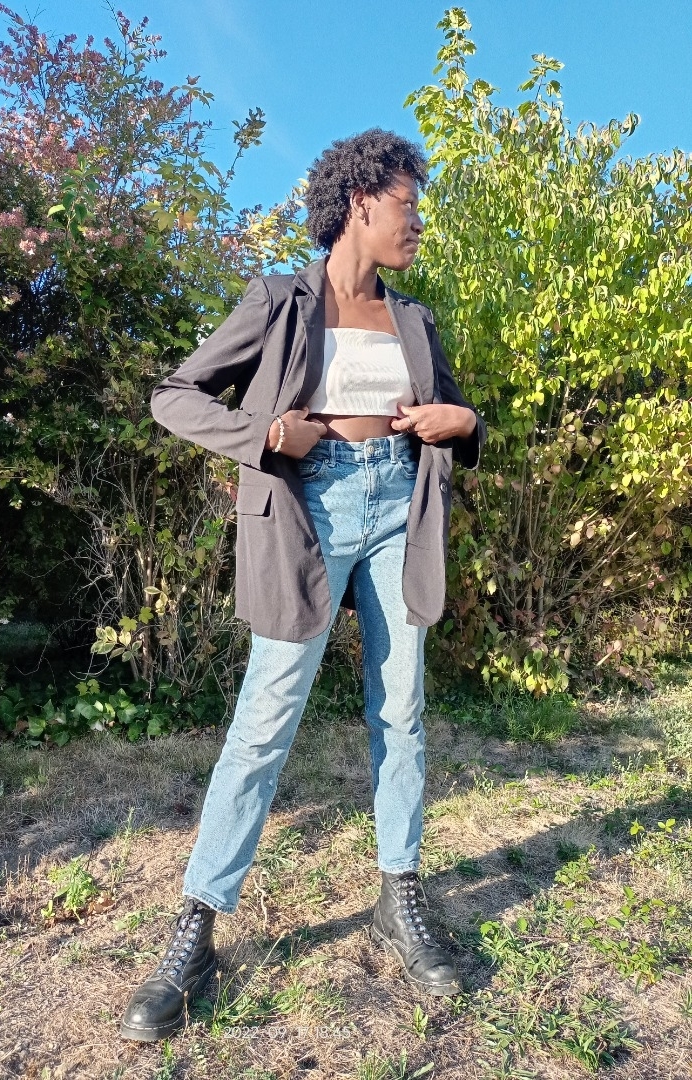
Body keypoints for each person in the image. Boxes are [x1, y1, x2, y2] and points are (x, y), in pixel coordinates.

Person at [120, 129, 486, 1042]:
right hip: (307, 510)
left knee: (401, 709)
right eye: (407, 205)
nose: (418, 222)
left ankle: (398, 896)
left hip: (399, 505)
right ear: (360, 203)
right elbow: (174, 394)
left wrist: (464, 420)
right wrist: (264, 435)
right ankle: (197, 929)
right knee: (265, 719)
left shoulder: (415, 320)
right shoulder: (278, 301)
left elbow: (451, 415)